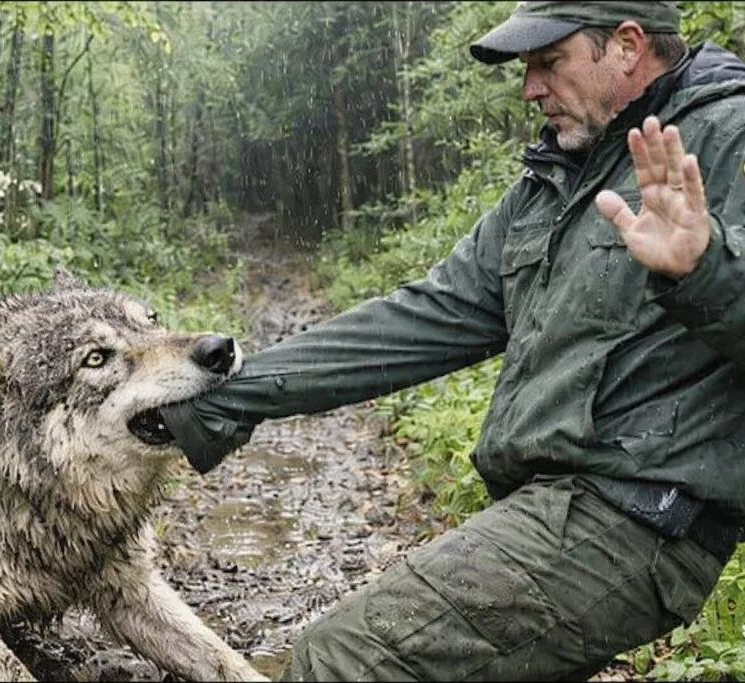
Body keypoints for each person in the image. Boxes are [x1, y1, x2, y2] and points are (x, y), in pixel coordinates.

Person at [159, 1, 745, 681]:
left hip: (639, 520)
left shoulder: (728, 135)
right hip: (548, 508)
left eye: (548, 63)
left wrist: (704, 272)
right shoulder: (555, 179)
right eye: (526, 69)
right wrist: (223, 393)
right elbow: (423, 319)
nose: (530, 88)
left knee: (345, 657)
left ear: (626, 44)